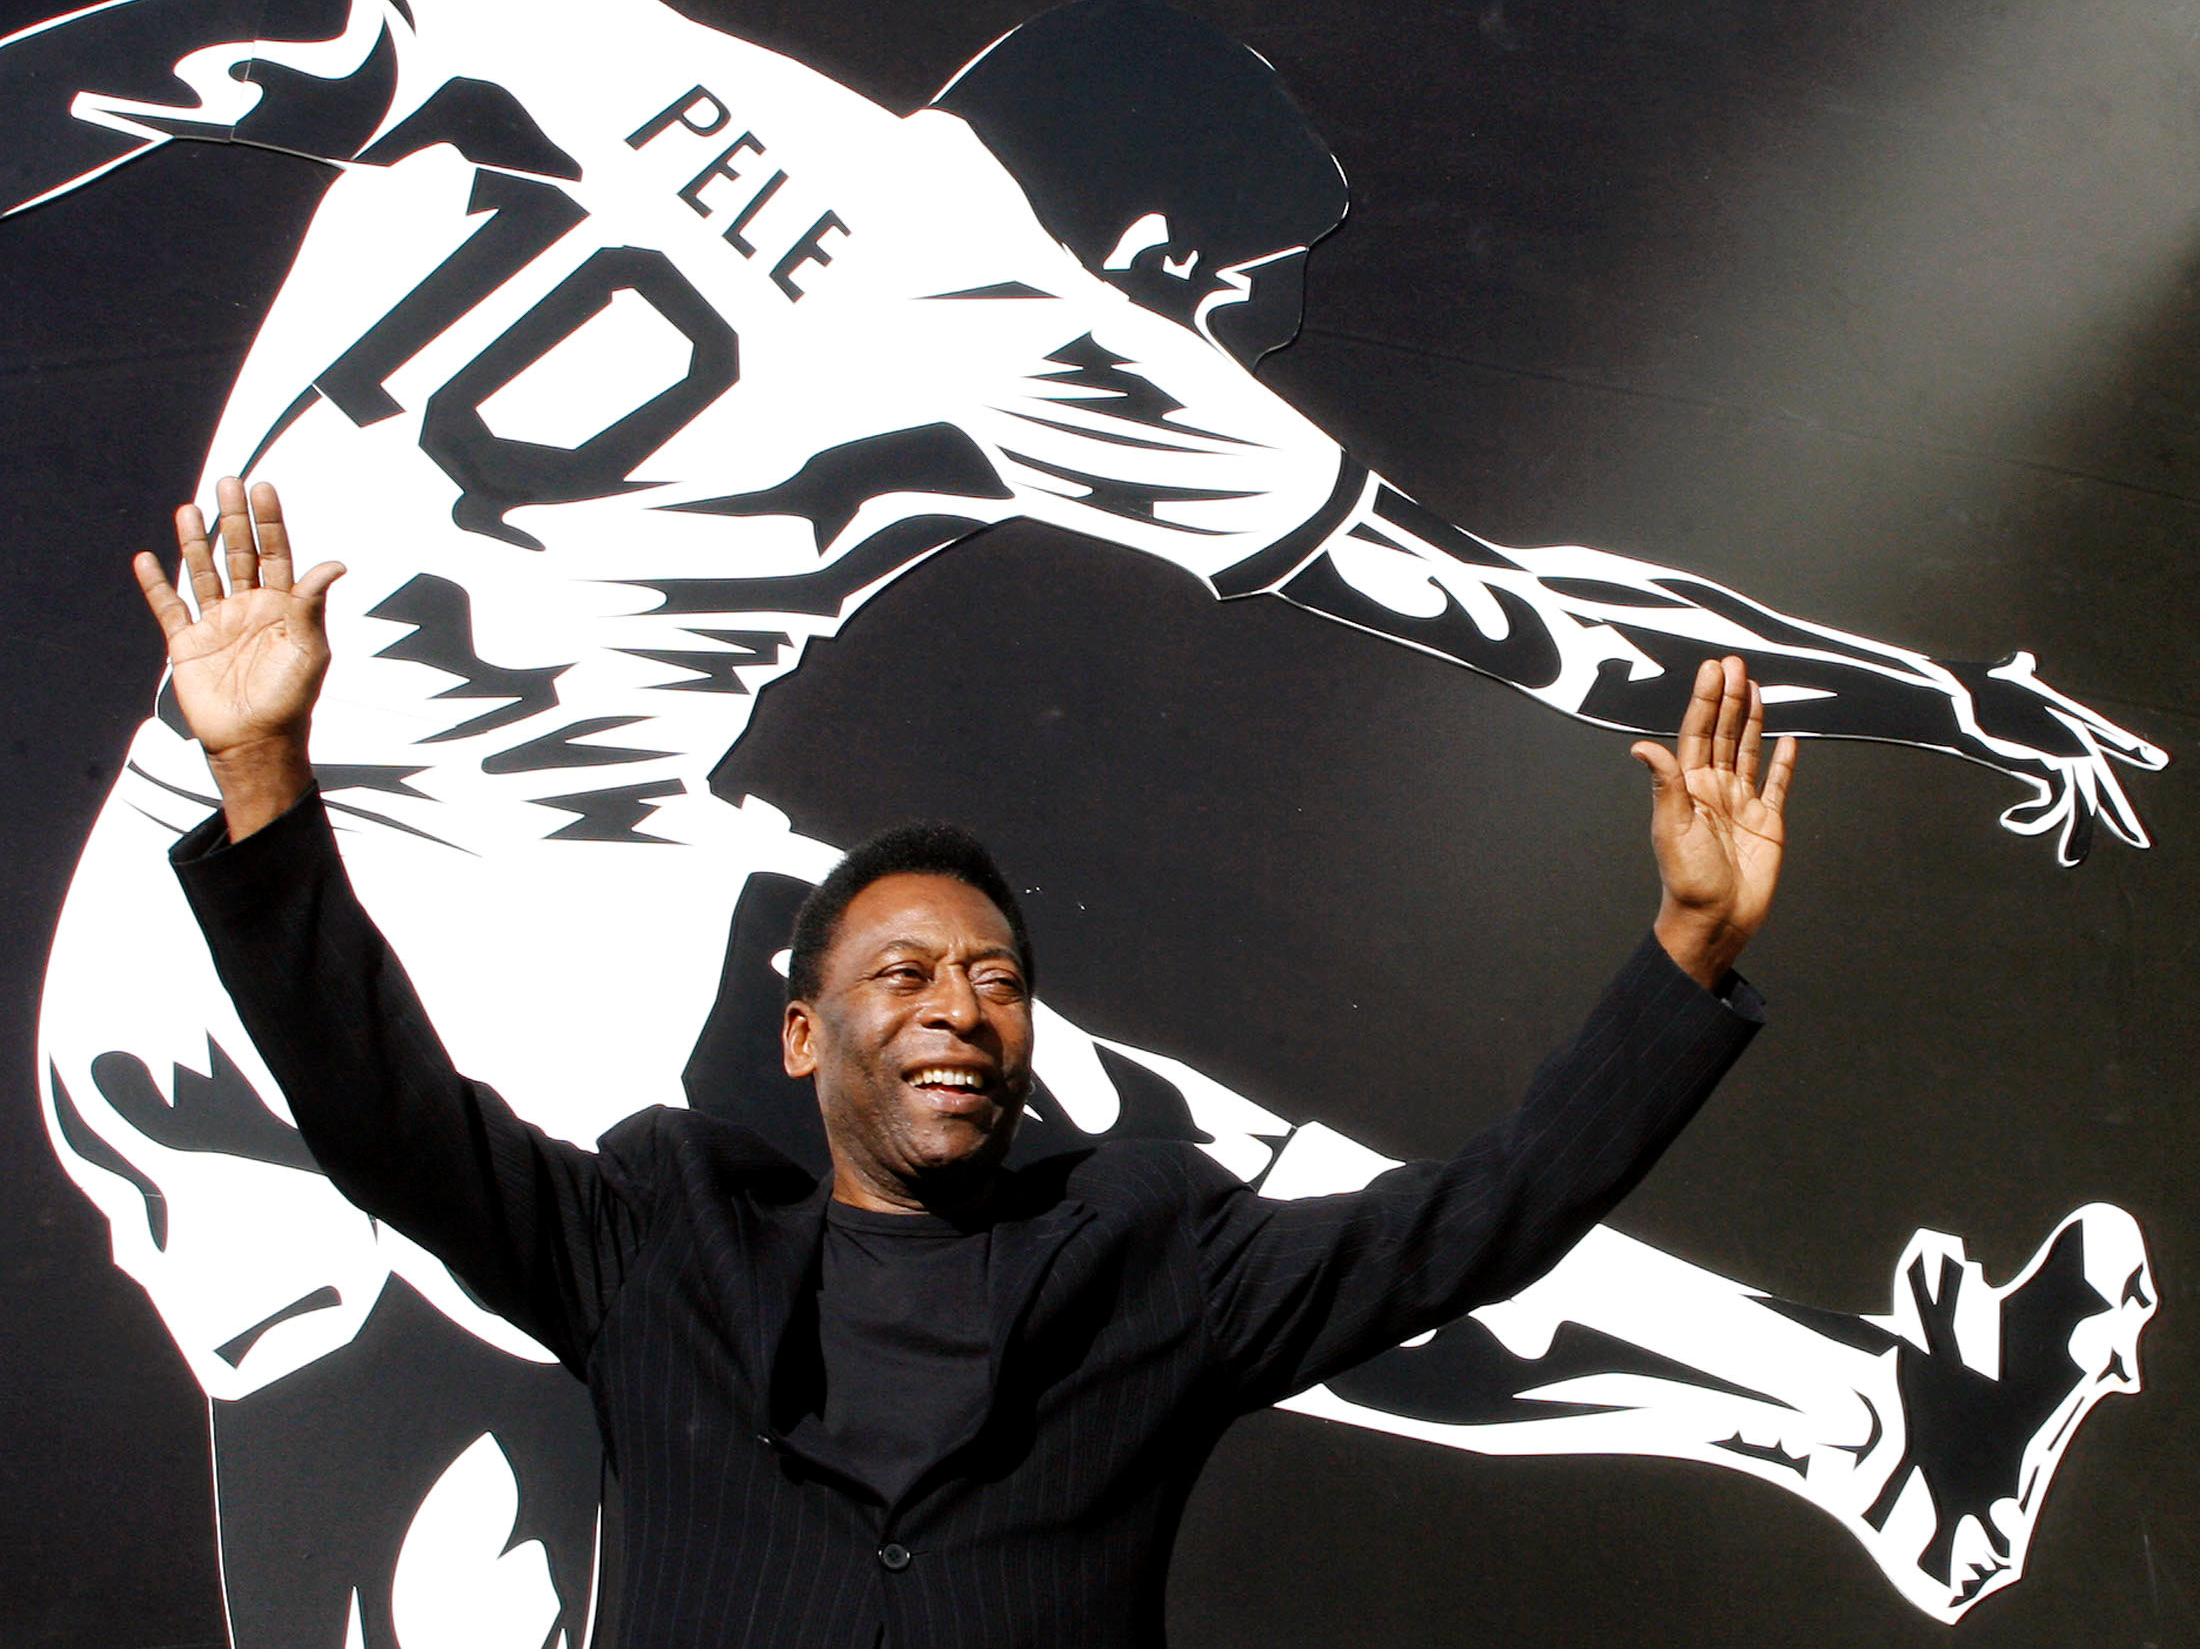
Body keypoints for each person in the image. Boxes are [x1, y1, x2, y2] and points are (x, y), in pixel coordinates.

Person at [14, 0, 2156, 1640]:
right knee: (1216, 1232)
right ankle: (1877, 1422)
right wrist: (1939, 696)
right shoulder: (1046, 320)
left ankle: (1884, 1426)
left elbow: (187, 66)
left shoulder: (572, 29)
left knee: (389, 1484)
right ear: (1147, 236)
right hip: (544, 932)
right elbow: (1546, 627)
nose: (1231, 340)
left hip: (163, 913)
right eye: (1234, 300)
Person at [141, 478, 1791, 1647]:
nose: (959, 1005)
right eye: (907, 971)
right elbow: (388, 1116)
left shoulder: (1156, 1255)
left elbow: (1474, 1220)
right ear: (801, 1034)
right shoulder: (660, 1235)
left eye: (998, 978)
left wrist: (1689, 951)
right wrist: (268, 774)